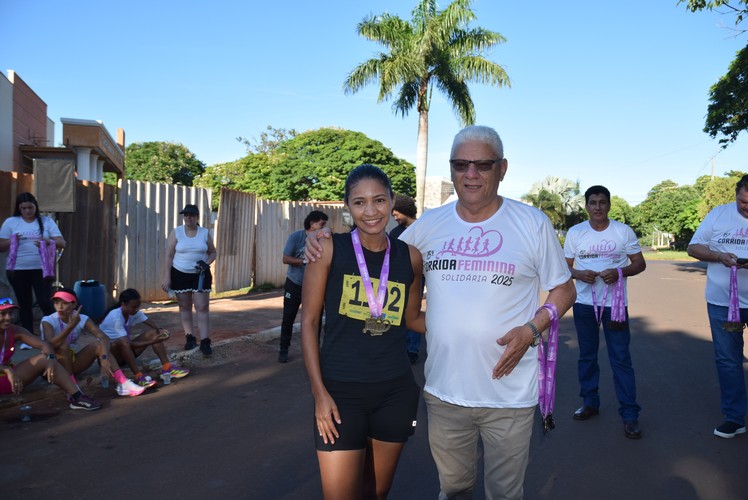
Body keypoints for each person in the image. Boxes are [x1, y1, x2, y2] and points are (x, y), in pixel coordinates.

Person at [306, 126, 576, 500]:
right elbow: (373, 248)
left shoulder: (531, 223)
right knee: (453, 490)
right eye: (461, 164)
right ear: (451, 170)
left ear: (502, 168)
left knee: (505, 493)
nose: (471, 174)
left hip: (509, 395)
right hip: (444, 394)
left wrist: (534, 328)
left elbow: (565, 288)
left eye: (483, 164)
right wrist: (320, 239)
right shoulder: (430, 225)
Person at [301, 164, 424, 499]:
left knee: (375, 494)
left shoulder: (410, 257)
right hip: (340, 394)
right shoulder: (327, 249)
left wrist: (475, 328)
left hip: (395, 393)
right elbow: (310, 323)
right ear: (348, 207)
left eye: (379, 200)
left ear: (391, 202)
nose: (371, 211)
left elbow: (413, 319)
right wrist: (319, 394)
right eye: (359, 202)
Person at [563, 185, 646, 439]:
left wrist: (619, 272)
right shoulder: (576, 233)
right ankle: (590, 402)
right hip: (585, 304)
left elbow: (639, 263)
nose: (597, 207)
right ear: (586, 206)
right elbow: (564, 267)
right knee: (587, 356)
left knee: (620, 358)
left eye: (602, 202)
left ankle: (630, 415)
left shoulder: (622, 231)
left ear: (609, 205)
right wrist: (578, 274)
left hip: (615, 306)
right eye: (593, 202)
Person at [687, 174, 748, 439]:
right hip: (723, 302)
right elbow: (693, 248)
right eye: (744, 202)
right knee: (728, 361)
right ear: (736, 194)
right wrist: (719, 256)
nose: (747, 207)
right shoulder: (719, 214)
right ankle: (735, 417)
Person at [0, 297, 102, 410]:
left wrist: (51, 359)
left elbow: (44, 345)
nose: (8, 318)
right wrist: (7, 370)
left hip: (10, 377)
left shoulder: (15, 330)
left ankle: (77, 397)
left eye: (10, 313)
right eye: (2, 314)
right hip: (7, 374)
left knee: (46, 358)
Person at [40, 288, 145, 397]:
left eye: (64, 303)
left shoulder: (81, 318)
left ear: (74, 304)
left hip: (72, 363)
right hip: (52, 366)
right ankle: (73, 390)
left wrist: (104, 358)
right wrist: (71, 326)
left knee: (99, 345)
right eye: (56, 302)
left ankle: (123, 383)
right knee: (63, 346)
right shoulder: (47, 320)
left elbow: (103, 337)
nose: (59, 307)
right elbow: (50, 344)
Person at [0, 192, 66, 347]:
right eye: (23, 208)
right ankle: (28, 338)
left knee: (45, 301)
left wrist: (47, 241)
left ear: (36, 206)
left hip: (42, 269)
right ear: (19, 209)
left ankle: (56, 334)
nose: (27, 211)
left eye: (30, 207)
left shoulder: (46, 221)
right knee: (24, 303)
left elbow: (62, 243)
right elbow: (1, 246)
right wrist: (12, 241)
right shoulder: (11, 222)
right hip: (18, 269)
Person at [100, 288, 190, 387]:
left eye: (138, 307)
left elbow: (149, 322)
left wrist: (160, 330)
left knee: (154, 333)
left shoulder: (132, 312)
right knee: (124, 342)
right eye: (133, 307)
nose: (136, 310)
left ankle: (167, 367)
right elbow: (128, 344)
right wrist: (152, 341)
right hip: (111, 358)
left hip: (126, 352)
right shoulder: (115, 318)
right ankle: (138, 377)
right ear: (123, 305)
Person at [162, 204, 217, 356]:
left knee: (202, 307)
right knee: (184, 306)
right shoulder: (177, 232)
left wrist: (206, 264)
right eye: (185, 215)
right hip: (180, 273)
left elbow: (213, 252)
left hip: (200, 275)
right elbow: (169, 255)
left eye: (191, 215)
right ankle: (190, 337)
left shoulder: (204, 233)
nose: (188, 217)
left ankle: (205, 341)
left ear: (197, 217)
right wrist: (167, 276)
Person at [278, 210, 328, 363]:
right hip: (295, 283)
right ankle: (283, 348)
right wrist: (304, 261)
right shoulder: (297, 237)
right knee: (289, 317)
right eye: (321, 224)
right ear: (312, 223)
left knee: (316, 318)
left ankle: (315, 349)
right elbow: (285, 259)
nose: (323, 227)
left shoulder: (323, 240)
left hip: (314, 286)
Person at [389, 194, 422, 364]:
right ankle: (399, 347)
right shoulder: (395, 232)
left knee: (413, 313)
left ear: (405, 211)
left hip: (418, 279)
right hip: (397, 281)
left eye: (396, 214)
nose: (395, 218)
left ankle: (412, 349)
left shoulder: (423, 228)